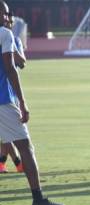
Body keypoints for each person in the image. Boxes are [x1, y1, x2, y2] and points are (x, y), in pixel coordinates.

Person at [0, 0, 64, 205]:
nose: (8, 18)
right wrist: (23, 102)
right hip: (3, 101)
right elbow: (11, 68)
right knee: (24, 146)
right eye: (5, 14)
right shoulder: (5, 34)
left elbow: (19, 61)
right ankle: (38, 198)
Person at [0, 11, 26, 174]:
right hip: (4, 95)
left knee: (6, 135)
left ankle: (4, 163)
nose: (8, 19)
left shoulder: (13, 39)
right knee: (10, 136)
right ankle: (17, 163)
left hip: (12, 93)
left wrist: (11, 49)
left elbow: (22, 63)